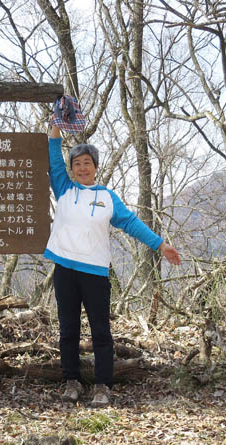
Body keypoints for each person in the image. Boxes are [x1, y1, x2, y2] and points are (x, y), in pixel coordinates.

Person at [45, 125, 181, 407]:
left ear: (95, 167)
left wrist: (160, 244)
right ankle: (71, 382)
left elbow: (130, 222)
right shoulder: (64, 189)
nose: (82, 168)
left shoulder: (107, 197)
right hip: (65, 270)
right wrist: (55, 131)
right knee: (68, 330)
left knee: (100, 332)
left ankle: (102, 386)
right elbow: (54, 159)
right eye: (77, 164)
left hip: (95, 273)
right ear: (71, 168)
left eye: (87, 163)